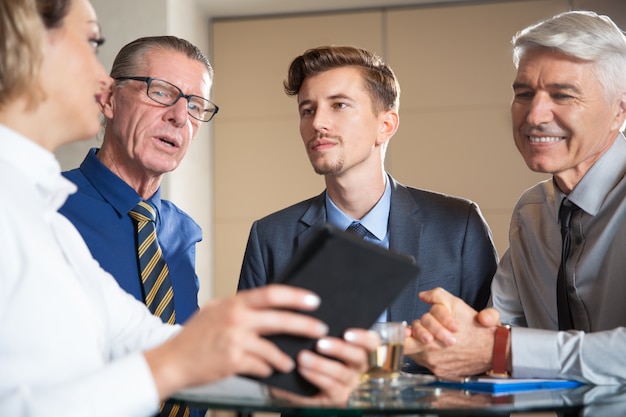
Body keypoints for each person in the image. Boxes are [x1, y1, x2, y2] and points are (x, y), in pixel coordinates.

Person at [0, 0, 378, 415]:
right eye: (93, 42)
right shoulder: (34, 207)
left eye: (195, 106)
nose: (181, 116)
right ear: (26, 44)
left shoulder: (44, 215)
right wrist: (176, 362)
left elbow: (148, 337)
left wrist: (290, 379)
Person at [237, 46, 498, 372]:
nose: (318, 122)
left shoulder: (459, 225)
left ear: (385, 125)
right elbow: (248, 365)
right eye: (307, 110)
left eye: (339, 105)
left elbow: (490, 361)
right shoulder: (270, 237)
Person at [406, 10, 626, 384]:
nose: (534, 115)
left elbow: (499, 345)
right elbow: (494, 328)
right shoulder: (533, 213)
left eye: (563, 95)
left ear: (621, 109)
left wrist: (501, 349)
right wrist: (453, 333)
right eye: (524, 94)